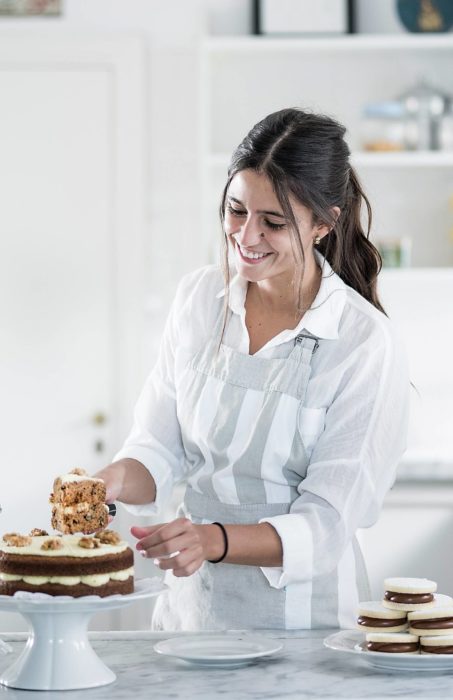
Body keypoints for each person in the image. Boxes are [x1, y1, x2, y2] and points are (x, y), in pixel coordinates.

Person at [96, 108, 410, 631]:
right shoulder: (199, 299)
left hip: (305, 632)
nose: (245, 235)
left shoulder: (361, 341)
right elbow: (157, 446)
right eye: (236, 210)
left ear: (323, 225)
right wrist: (105, 483)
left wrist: (213, 540)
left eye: (273, 222)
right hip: (192, 619)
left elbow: (327, 524)